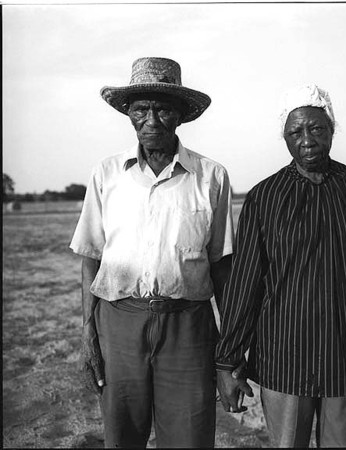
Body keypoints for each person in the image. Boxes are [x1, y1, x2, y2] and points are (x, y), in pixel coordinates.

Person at [215, 84, 346, 448]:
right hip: (283, 357)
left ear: (332, 128)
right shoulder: (264, 198)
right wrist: (226, 361)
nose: (307, 140)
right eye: (296, 131)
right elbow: (246, 283)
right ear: (284, 137)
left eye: (316, 128)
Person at [70, 57, 234, 448]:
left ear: (179, 116)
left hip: (189, 328)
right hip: (119, 323)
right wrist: (88, 330)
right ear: (129, 114)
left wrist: (229, 343)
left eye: (162, 109)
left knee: (190, 437)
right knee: (123, 434)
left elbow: (222, 264)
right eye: (140, 109)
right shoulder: (106, 174)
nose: (151, 119)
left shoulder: (211, 176)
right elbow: (91, 257)